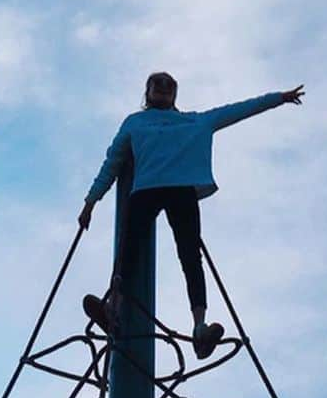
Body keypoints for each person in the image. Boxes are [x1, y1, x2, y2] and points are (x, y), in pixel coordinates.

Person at [79, 71, 304, 358]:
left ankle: (200, 327)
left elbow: (238, 110)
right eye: (157, 85)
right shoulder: (135, 122)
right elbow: (112, 163)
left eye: (168, 86)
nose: (162, 88)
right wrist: (90, 202)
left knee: (189, 254)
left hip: (180, 191)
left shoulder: (195, 121)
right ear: (147, 92)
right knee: (129, 247)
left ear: (175, 93)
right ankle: (115, 309)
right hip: (146, 190)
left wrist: (279, 99)